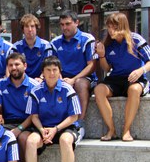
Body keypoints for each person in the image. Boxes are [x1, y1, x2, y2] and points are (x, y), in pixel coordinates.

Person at [21, 56, 81, 162]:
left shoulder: (68, 90)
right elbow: (34, 116)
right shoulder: (36, 91)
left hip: (64, 126)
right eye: (48, 70)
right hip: (44, 127)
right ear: (43, 72)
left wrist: (56, 129)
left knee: (66, 140)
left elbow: (74, 117)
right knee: (30, 141)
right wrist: (42, 130)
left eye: (55, 70)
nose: (52, 73)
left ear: (60, 72)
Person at [94, 12, 150, 141]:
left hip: (135, 78)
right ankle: (111, 130)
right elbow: (107, 68)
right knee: (99, 90)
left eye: (114, 27)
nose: (111, 31)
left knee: (134, 90)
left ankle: (126, 130)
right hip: (116, 79)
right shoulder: (108, 44)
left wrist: (140, 71)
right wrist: (101, 55)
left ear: (123, 26)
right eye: (109, 27)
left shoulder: (136, 39)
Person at [0, 53, 38, 162]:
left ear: (25, 66)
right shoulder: (0, 86)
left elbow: (34, 114)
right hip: (7, 122)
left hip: (28, 122)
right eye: (11, 65)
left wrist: (19, 129)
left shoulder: (34, 86)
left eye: (17, 64)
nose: (14, 68)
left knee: (23, 138)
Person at [51, 10, 97, 138]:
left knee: (80, 84)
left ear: (77, 23)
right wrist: (59, 78)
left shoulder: (87, 39)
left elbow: (92, 65)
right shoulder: (55, 42)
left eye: (68, 24)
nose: (64, 27)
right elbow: (53, 65)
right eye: (62, 24)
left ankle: (79, 123)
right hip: (63, 77)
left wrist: (73, 79)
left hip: (84, 78)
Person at [13, 14, 54, 80]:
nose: (29, 29)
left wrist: (41, 78)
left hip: (41, 81)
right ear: (23, 29)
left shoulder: (46, 46)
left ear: (36, 28)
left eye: (32, 26)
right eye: (26, 26)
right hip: (22, 81)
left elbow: (48, 66)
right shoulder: (16, 47)